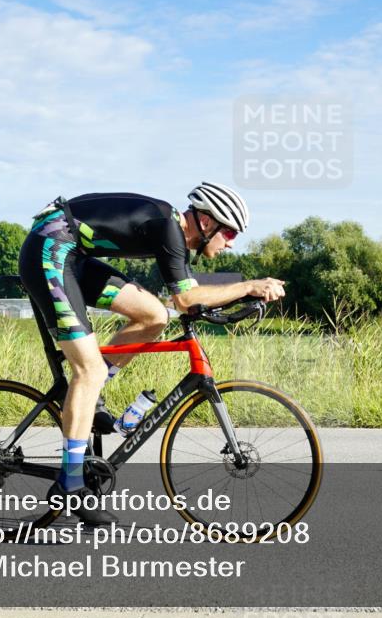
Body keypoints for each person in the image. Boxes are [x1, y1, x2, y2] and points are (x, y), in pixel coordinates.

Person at [18, 182, 285, 526]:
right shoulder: (169, 228)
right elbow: (186, 300)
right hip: (49, 251)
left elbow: (188, 300)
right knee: (89, 371)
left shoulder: (172, 231)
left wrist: (244, 297)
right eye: (230, 232)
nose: (231, 242)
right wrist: (249, 286)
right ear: (206, 222)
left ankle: (89, 396)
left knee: (155, 316)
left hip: (73, 255)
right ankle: (69, 485)